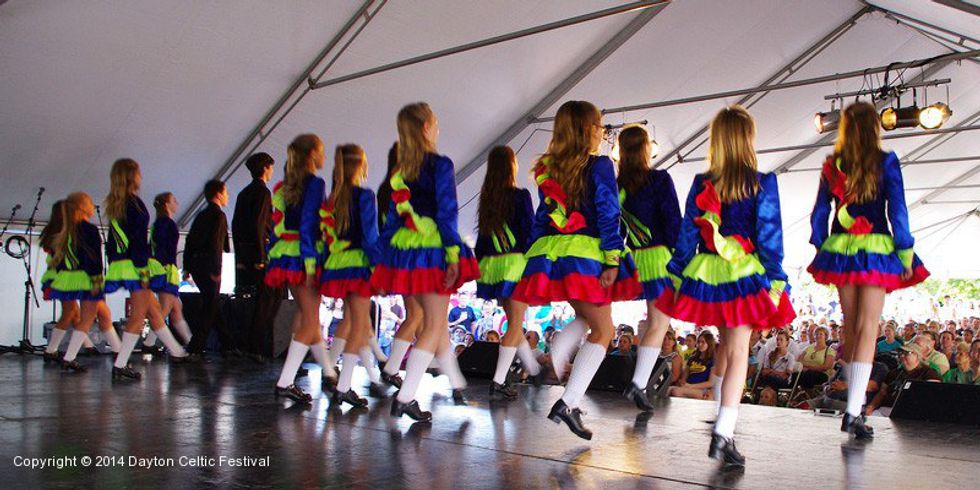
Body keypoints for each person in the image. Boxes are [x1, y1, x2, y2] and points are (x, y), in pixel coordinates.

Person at [656, 106, 794, 467]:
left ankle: (722, 425)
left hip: (709, 274)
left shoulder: (703, 182)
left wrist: (677, 273)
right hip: (744, 273)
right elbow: (770, 237)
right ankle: (724, 432)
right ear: (748, 139)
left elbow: (687, 236)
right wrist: (776, 278)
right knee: (737, 354)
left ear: (716, 140)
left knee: (726, 352)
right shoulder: (762, 182)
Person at [511, 100, 641, 440]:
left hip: (555, 255)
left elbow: (542, 218)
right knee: (604, 330)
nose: (602, 131)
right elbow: (608, 212)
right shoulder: (599, 165)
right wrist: (612, 258)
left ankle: (559, 360)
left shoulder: (548, 169)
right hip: (587, 255)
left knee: (587, 319)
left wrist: (536, 261)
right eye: (599, 125)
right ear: (587, 129)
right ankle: (567, 402)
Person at [808, 102, 929, 439]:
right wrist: (905, 251)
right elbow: (897, 210)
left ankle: (852, 404)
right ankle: (853, 412)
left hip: (842, 249)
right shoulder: (885, 161)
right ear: (874, 128)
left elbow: (819, 212)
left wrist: (821, 246)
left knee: (851, 327)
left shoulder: (833, 164)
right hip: (875, 250)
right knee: (867, 328)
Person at [371, 103, 480, 422]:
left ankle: (456, 384)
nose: (438, 127)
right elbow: (447, 213)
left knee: (434, 322)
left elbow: (391, 222)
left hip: (406, 250)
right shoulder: (439, 164)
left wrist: (381, 260)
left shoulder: (399, 172)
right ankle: (405, 397)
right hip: (433, 249)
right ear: (425, 128)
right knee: (432, 325)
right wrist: (452, 254)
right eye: (435, 122)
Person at [265, 134, 338, 403]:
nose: (324, 156)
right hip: (305, 256)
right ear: (312, 155)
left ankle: (329, 373)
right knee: (309, 320)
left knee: (307, 316)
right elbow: (309, 224)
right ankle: (285, 381)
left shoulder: (284, 186)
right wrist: (309, 264)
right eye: (322, 151)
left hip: (287, 255)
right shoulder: (315, 183)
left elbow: (278, 225)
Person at [104, 159, 192, 380]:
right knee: (139, 314)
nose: (141, 177)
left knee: (153, 310)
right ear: (132, 176)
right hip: (136, 265)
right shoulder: (135, 205)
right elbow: (137, 241)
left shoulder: (116, 205)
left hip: (123, 263)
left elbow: (114, 241)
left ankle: (178, 352)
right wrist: (143, 270)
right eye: (138, 173)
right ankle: (120, 364)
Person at [616, 125, 681, 412]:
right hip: (660, 258)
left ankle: (639, 384)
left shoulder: (618, 185)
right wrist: (681, 256)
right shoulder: (659, 179)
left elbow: (617, 228)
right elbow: (672, 219)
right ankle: (638, 383)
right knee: (658, 324)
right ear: (646, 149)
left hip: (636, 259)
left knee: (653, 323)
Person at [474, 145, 543, 401]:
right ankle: (499, 380)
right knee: (515, 324)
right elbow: (529, 231)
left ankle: (534, 370)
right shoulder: (520, 196)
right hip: (516, 264)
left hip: (493, 266)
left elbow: (482, 241)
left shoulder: (486, 201)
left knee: (515, 322)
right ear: (511, 166)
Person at [320, 144, 386, 407]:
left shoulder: (332, 199)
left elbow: (326, 237)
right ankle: (343, 385)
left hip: (338, 264)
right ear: (361, 165)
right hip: (359, 264)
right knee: (359, 325)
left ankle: (337, 373)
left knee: (353, 321)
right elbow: (370, 237)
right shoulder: (364, 195)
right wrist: (378, 266)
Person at [45, 193, 122, 371]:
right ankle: (70, 357)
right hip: (87, 279)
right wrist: (96, 280)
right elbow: (93, 259)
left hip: (68, 279)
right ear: (82, 207)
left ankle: (119, 352)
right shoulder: (88, 230)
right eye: (89, 202)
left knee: (101, 314)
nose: (92, 205)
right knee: (86, 318)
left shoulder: (65, 230)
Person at [232, 152, 283, 360]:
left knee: (258, 301)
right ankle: (256, 346)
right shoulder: (263, 193)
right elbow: (260, 225)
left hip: (246, 254)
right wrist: (261, 257)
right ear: (265, 168)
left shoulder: (243, 193)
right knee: (269, 300)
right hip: (260, 254)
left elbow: (237, 225)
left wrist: (241, 258)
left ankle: (249, 344)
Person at [184, 180, 236, 356]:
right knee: (210, 306)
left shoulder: (200, 215)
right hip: (209, 265)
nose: (227, 196)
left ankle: (228, 344)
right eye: (226, 192)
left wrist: (187, 267)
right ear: (218, 194)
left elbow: (190, 241)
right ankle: (196, 347)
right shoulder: (218, 216)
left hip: (196, 265)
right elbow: (216, 244)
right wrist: (216, 270)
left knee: (212, 304)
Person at [145, 192, 192, 351]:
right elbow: (163, 249)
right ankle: (149, 343)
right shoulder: (166, 224)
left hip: (163, 269)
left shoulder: (159, 224)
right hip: (166, 270)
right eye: (174, 200)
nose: (177, 203)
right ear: (166, 204)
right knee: (165, 308)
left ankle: (190, 342)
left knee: (176, 308)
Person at [865, 343, 941, 415]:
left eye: (907, 353)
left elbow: (932, 394)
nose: (902, 356)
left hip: (911, 411)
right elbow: (882, 393)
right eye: (900, 353)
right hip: (887, 408)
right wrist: (871, 406)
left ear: (917, 355)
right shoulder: (894, 373)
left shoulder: (929, 373)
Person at [668, 332, 717, 398]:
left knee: (676, 391)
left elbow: (710, 383)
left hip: (703, 390)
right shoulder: (693, 358)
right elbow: (684, 376)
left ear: (709, 344)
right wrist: (683, 383)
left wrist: (691, 386)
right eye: (698, 342)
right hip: (688, 386)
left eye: (703, 342)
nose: (700, 344)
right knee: (667, 390)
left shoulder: (713, 360)